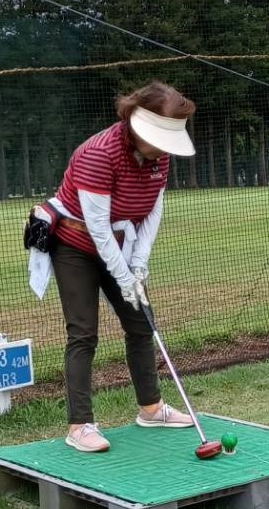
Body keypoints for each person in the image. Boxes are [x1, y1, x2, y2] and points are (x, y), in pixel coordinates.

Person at [30, 81, 197, 453]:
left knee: (141, 324)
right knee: (83, 332)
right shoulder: (98, 154)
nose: (164, 150)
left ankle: (151, 409)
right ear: (139, 127)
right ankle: (80, 425)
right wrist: (123, 277)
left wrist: (138, 266)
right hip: (75, 246)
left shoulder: (159, 155)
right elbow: (98, 227)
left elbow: (152, 210)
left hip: (120, 246)